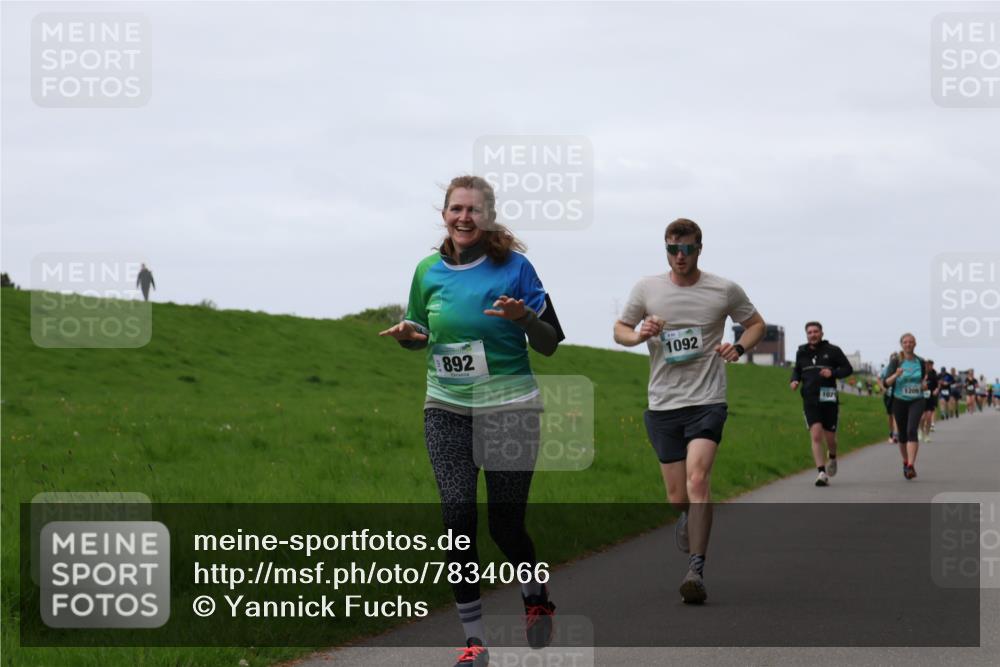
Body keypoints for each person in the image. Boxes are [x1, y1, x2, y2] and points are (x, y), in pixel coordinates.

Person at [379, 176, 564, 666]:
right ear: (444, 214)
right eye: (456, 209)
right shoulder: (426, 271)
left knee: (505, 526)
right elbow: (421, 329)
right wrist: (407, 336)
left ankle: (535, 594)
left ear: (489, 217)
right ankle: (474, 642)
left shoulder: (516, 268)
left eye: (474, 210)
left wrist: (523, 318)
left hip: (510, 409)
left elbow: (549, 342)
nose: (464, 217)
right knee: (457, 519)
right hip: (446, 407)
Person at [614, 217, 765, 604]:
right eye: (672, 249)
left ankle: (695, 569)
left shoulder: (723, 289)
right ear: (665, 249)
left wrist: (740, 348)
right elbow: (620, 328)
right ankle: (685, 517)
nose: (680, 256)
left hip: (707, 400)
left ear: (700, 249)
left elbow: (755, 324)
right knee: (676, 496)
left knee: (699, 481)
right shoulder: (647, 288)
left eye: (687, 249)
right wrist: (639, 335)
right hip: (663, 403)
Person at [789, 321, 853, 486]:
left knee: (830, 437)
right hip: (809, 398)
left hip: (828, 396)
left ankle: (832, 456)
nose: (812, 335)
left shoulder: (833, 351)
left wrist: (833, 372)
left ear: (822, 333)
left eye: (815, 331)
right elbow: (797, 370)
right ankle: (821, 473)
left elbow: (848, 369)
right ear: (806, 335)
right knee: (816, 434)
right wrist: (795, 380)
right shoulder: (801, 352)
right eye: (809, 332)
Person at [883, 333, 927, 480]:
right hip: (899, 400)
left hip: (917, 400)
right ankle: (905, 460)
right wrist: (896, 375)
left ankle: (911, 465)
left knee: (911, 430)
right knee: (902, 435)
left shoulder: (920, 362)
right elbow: (886, 382)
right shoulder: (896, 361)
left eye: (911, 342)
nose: (908, 344)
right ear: (901, 344)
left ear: (915, 344)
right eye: (905, 342)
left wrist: (924, 385)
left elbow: (924, 381)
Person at [880, 355, 899, 443]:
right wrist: (883, 388)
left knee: (895, 414)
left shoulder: (900, 368)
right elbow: (879, 378)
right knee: (890, 415)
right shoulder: (886, 369)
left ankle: (896, 434)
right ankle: (891, 432)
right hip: (888, 395)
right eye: (893, 359)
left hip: (897, 394)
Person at [921, 359, 939, 442]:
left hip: (930, 397)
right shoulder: (921, 373)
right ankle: (920, 431)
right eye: (927, 365)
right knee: (922, 417)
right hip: (921, 398)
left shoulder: (934, 374)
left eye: (930, 365)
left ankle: (927, 435)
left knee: (928, 417)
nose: (929, 366)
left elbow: (938, 385)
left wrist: (936, 390)